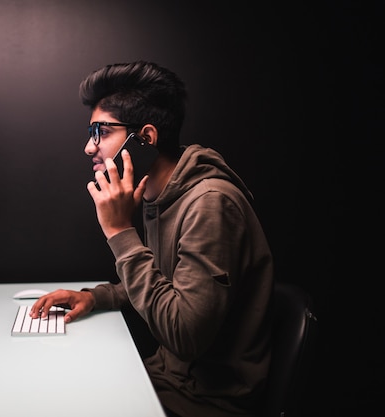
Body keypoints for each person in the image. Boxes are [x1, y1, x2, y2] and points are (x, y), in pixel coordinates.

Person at [30, 61, 274, 417]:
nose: (88, 147)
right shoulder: (157, 196)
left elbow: (184, 335)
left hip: (204, 401)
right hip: (163, 379)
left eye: (101, 132)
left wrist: (119, 231)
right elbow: (163, 281)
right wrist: (94, 297)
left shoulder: (211, 203)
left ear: (145, 137)